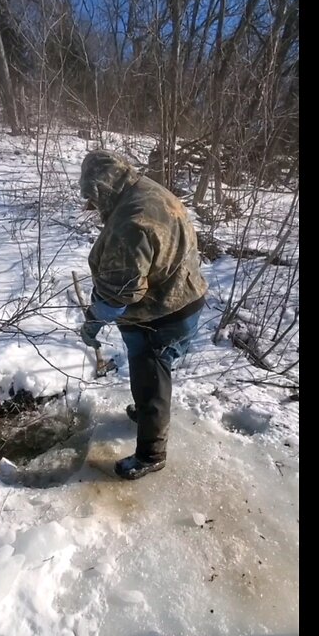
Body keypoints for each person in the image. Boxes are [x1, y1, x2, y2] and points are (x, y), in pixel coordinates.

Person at [77, 149, 208, 480]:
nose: (93, 208)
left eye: (94, 199)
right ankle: (148, 411)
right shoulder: (145, 188)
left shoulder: (129, 225)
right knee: (150, 373)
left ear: (103, 188)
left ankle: (152, 453)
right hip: (184, 294)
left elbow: (120, 294)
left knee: (151, 377)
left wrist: (93, 320)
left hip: (161, 314)